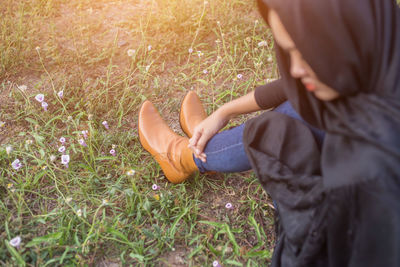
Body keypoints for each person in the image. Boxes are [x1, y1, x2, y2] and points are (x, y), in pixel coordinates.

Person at [138, 0, 400, 265]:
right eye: (289, 52)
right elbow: (297, 85)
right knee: (307, 103)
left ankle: (183, 156)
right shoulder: (381, 46)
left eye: (306, 53)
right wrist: (225, 111)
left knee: (283, 129)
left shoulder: (374, 172)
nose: (295, 68)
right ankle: (203, 146)